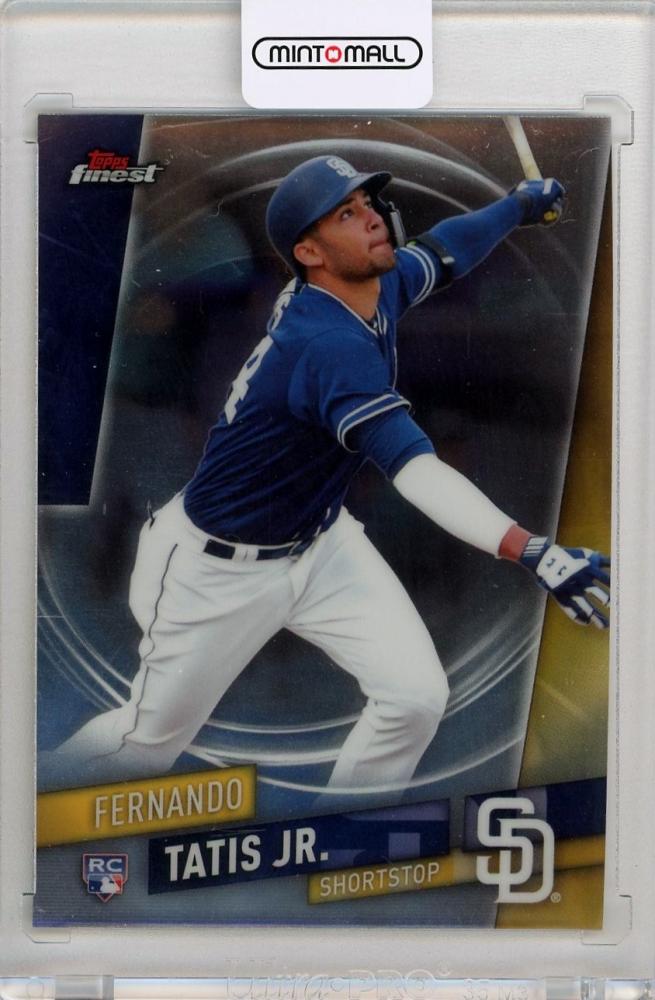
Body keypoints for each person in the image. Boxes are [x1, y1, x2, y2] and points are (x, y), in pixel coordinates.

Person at [43, 155, 610, 792]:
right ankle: (35, 802)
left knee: (415, 699)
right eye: (346, 213)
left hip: (319, 543)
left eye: (367, 203)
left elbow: (444, 251)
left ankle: (351, 826)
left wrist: (516, 205)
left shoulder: (367, 289)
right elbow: (416, 471)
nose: (373, 218)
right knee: (143, 748)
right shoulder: (324, 345)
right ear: (309, 252)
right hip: (211, 574)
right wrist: (533, 551)